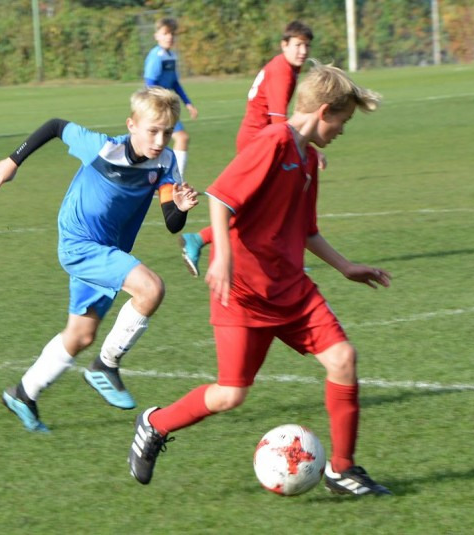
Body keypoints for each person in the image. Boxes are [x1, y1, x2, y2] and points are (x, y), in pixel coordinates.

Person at [128, 64, 393, 496]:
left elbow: (307, 230)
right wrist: (223, 258)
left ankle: (342, 470)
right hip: (244, 293)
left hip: (292, 291)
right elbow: (220, 197)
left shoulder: (308, 159)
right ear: (324, 111)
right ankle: (155, 423)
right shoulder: (273, 142)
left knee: (343, 359)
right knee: (230, 395)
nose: (343, 130)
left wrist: (346, 266)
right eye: (343, 121)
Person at [0, 87, 199, 432]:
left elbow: (171, 221)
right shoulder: (103, 148)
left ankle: (23, 394)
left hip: (109, 250)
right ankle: (106, 365)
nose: (160, 140)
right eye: (152, 131)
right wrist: (13, 161)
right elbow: (56, 126)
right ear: (132, 125)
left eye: (167, 132)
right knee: (151, 289)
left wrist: (181, 207)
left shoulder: (165, 162)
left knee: (81, 334)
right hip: (80, 244)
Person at [178, 20, 315, 277]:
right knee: (271, 203)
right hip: (260, 142)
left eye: (307, 46)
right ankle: (202, 240)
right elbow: (278, 120)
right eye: (298, 45)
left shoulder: (286, 67)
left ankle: (199, 239)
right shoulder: (283, 71)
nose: (303, 51)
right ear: (284, 45)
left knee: (261, 205)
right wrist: (303, 148)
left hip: (260, 139)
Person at [144, 17, 198, 179]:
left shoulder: (171, 56)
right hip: (157, 106)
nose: (169, 37)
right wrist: (157, 103)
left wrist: (188, 103)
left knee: (164, 142)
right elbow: (150, 83)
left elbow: (174, 83)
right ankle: (175, 179)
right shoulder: (156, 56)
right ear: (156, 36)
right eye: (165, 33)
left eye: (172, 34)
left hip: (165, 106)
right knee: (178, 138)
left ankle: (170, 179)